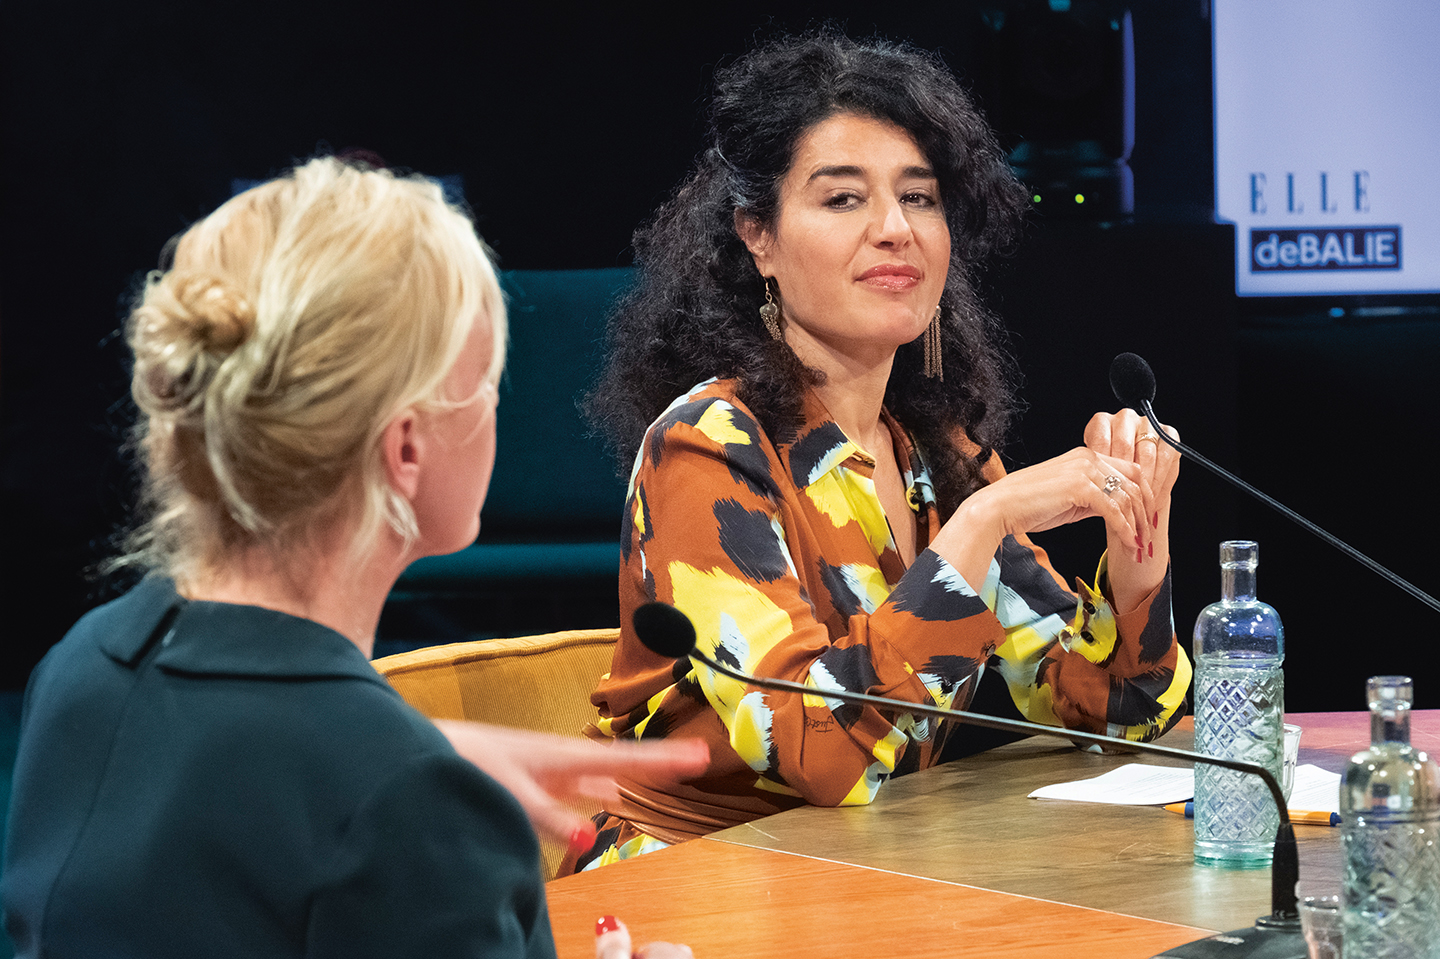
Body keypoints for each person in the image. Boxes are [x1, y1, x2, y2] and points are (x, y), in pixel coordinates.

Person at [1, 157, 699, 958]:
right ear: (406, 447)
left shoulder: (81, 667)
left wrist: (396, 750)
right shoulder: (414, 804)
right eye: (488, 384)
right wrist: (403, 773)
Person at [577, 33, 1191, 871]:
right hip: (691, 879)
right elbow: (817, 751)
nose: (895, 229)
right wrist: (985, 521)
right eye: (842, 200)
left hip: (862, 869)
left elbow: (1116, 713)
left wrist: (1136, 555)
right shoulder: (703, 447)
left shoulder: (936, 452)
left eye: (920, 198)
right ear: (758, 235)